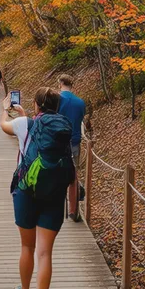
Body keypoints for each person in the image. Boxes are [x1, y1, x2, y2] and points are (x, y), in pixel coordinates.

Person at [0, 88, 74, 289]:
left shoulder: (25, 124)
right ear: (57, 106)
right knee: (45, 253)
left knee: (27, 247)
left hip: (26, 192)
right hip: (55, 193)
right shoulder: (61, 129)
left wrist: (5, 109)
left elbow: (5, 126)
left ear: (37, 104)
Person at [57, 74, 86, 222]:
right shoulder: (80, 102)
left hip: (58, 141)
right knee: (73, 175)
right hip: (74, 141)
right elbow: (81, 118)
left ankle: (56, 206)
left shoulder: (56, 100)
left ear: (60, 83)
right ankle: (73, 210)